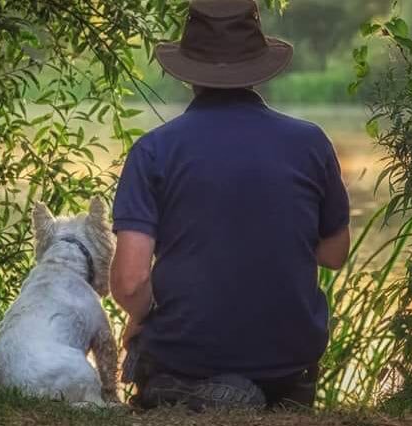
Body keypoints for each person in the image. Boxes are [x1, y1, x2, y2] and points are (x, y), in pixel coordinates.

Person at [109, 0, 351, 411]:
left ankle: (189, 390)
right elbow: (334, 254)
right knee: (273, 378)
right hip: (289, 364)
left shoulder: (153, 151)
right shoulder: (311, 143)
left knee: (145, 339)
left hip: (186, 358)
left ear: (188, 73)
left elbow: (130, 282)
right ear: (258, 67)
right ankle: (258, 394)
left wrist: (142, 315)